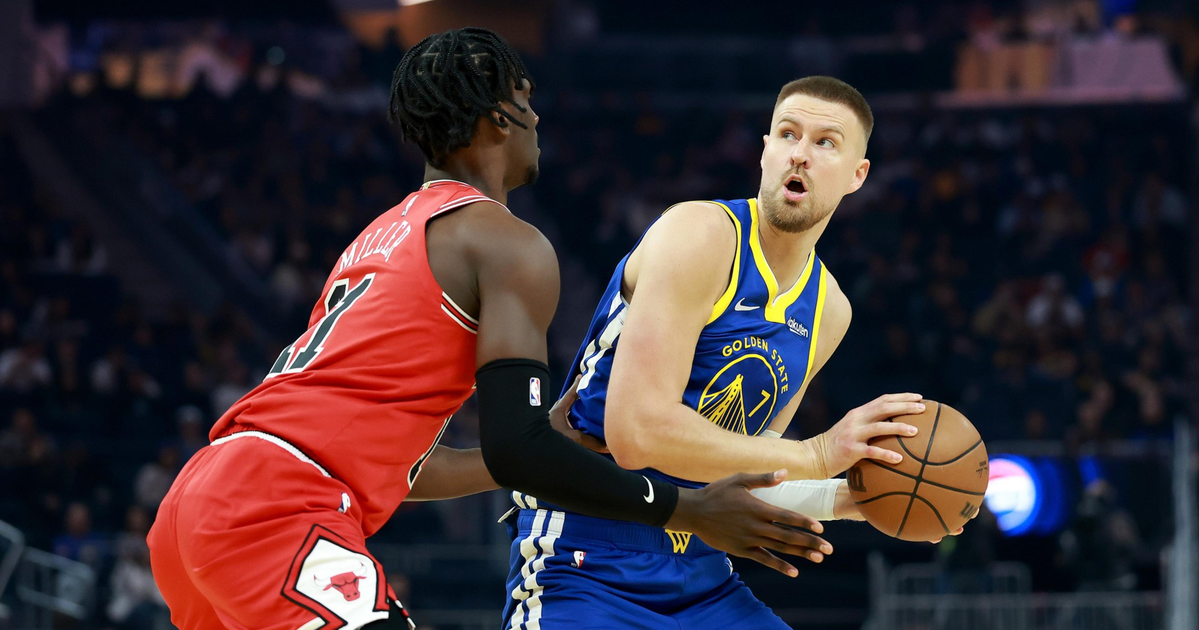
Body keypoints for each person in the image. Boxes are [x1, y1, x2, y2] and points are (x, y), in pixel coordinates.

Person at [147, 27, 827, 630]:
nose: (536, 117)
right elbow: (518, 451)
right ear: (498, 115)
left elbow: (399, 469)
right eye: (526, 99)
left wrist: (538, 439)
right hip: (274, 509)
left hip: (203, 499)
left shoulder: (379, 234)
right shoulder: (505, 244)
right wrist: (688, 510)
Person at [500, 77, 943, 629]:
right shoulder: (700, 233)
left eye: (826, 142)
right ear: (765, 151)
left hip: (702, 564)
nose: (800, 154)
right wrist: (820, 454)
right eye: (788, 134)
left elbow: (748, 465)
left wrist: (850, 497)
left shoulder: (830, 310)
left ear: (858, 176)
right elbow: (636, 434)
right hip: (589, 546)